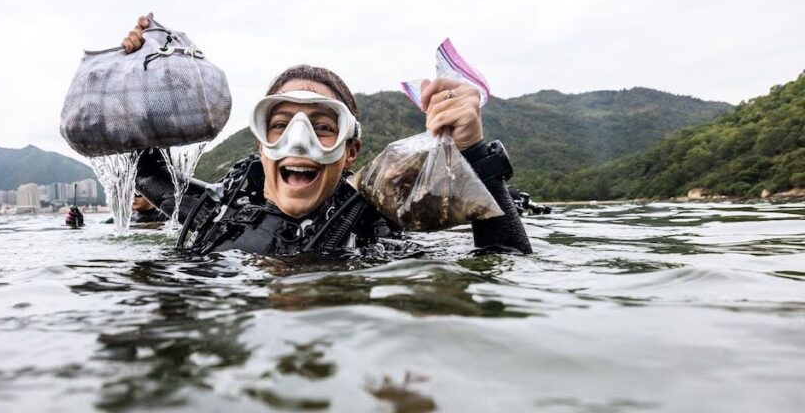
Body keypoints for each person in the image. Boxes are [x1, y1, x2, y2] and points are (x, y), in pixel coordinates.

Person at [120, 14, 531, 256]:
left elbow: (501, 261)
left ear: (350, 151)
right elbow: (144, 166)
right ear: (262, 142)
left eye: (323, 127)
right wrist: (146, 69)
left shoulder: (376, 232)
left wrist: (474, 153)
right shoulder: (218, 214)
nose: (299, 142)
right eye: (280, 125)